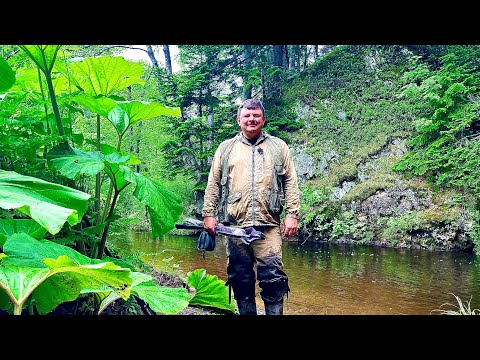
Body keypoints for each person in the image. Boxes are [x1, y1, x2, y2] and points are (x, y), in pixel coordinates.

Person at [202, 98, 300, 315]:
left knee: (273, 278)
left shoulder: (278, 146)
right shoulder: (226, 148)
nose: (251, 119)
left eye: (256, 115)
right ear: (239, 120)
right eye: (247, 115)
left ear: (263, 119)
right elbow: (213, 182)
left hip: (269, 225)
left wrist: (292, 214)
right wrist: (208, 213)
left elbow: (291, 181)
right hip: (235, 226)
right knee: (240, 277)